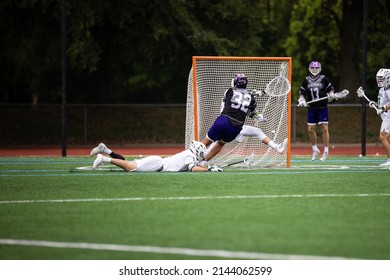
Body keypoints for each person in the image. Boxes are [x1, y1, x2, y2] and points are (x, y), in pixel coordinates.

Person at [201, 73, 287, 161]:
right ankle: (204, 160)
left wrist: (256, 114)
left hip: (224, 120)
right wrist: (257, 116)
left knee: (210, 140)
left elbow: (240, 102)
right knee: (220, 142)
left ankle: (196, 158)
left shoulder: (229, 91)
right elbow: (250, 111)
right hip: (236, 126)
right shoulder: (249, 97)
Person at [89, 141, 223, 172]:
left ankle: (106, 150)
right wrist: (209, 169)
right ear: (196, 151)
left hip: (158, 162)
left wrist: (208, 166)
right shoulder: (189, 156)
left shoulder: (189, 154)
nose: (202, 155)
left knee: (128, 163)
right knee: (130, 167)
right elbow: (193, 168)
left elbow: (196, 165)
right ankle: (104, 158)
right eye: (201, 152)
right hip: (158, 164)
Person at [297, 61, 335, 161]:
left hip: (322, 107)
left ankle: (326, 152)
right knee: (310, 129)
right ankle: (315, 150)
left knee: (325, 128)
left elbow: (330, 89)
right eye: (313, 68)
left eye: (316, 68)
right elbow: (301, 92)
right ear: (310, 69)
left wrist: (331, 94)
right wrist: (302, 99)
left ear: (319, 68)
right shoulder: (306, 80)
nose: (315, 70)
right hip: (312, 108)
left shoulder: (323, 78)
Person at [370, 68, 390, 167]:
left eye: (382, 78)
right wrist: (375, 104)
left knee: (383, 136)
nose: (379, 80)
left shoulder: (388, 89)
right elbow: (381, 103)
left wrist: (384, 108)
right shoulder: (382, 89)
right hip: (386, 117)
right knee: (387, 138)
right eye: (379, 78)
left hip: (389, 117)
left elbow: (387, 104)